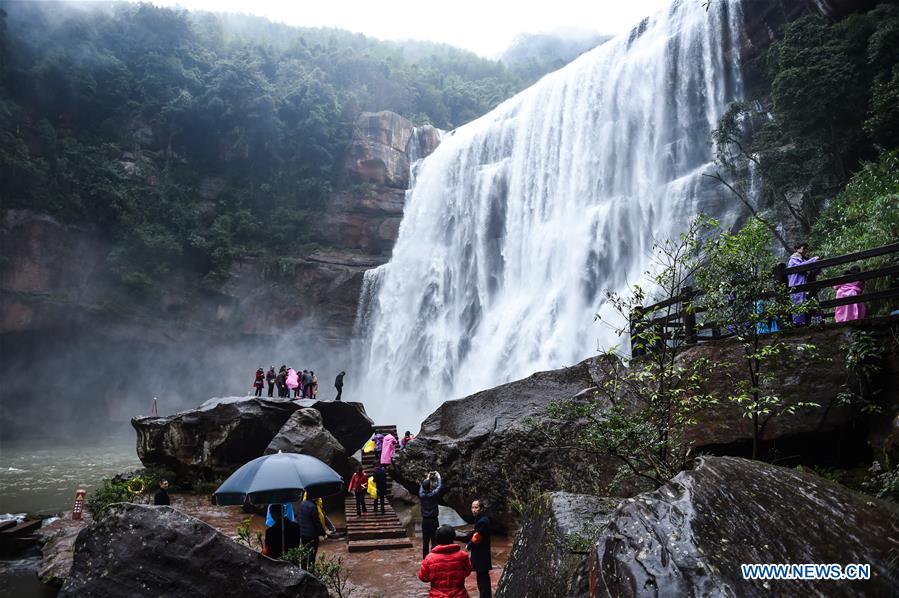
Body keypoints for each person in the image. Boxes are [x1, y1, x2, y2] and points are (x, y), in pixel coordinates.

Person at [418, 524, 472, 598]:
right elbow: (468, 571)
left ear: (437, 538)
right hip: (459, 595)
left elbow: (423, 577)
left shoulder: (429, 558)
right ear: (453, 537)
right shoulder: (463, 556)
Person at [463, 499, 492, 598]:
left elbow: (477, 537)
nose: (473, 510)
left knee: (482, 578)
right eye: (472, 507)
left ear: (481, 509)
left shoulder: (483, 521)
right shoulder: (481, 519)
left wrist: (468, 545)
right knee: (482, 577)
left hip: (481, 554)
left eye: (476, 507)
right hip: (481, 553)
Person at [787, 242, 820, 325]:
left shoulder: (802, 259)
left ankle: (805, 322)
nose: (805, 250)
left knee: (803, 301)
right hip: (796, 282)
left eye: (806, 249)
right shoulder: (794, 259)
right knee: (797, 301)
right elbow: (801, 267)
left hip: (802, 283)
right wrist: (813, 260)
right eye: (803, 248)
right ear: (797, 249)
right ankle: (797, 323)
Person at [419, 471, 443, 558]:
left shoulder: (421, 494)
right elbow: (440, 487)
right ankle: (434, 557)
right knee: (434, 540)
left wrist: (428, 478)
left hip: (425, 520)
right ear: (430, 487)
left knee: (425, 541)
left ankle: (425, 559)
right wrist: (438, 476)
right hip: (433, 520)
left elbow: (422, 487)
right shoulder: (433, 494)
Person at [297, 496, 326, 569]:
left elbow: (299, 519)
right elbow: (317, 522)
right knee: (312, 554)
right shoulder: (313, 507)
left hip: (303, 534)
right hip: (312, 535)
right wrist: (323, 533)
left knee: (304, 553)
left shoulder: (302, 504)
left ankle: (303, 570)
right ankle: (311, 571)